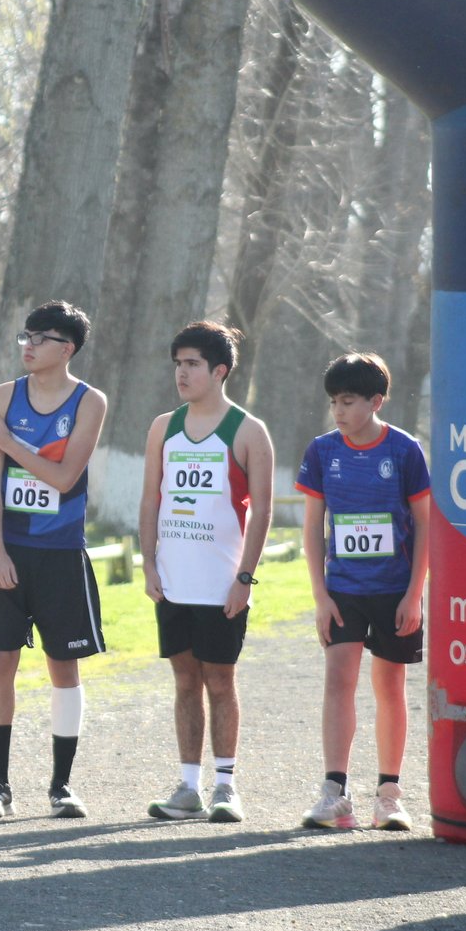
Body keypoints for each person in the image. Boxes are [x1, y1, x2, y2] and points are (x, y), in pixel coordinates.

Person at [0, 301, 108, 820]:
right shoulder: (4, 396)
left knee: (64, 666)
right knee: (1, 662)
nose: (28, 345)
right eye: (25, 335)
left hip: (60, 554)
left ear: (67, 348)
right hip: (10, 551)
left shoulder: (89, 402)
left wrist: (8, 442)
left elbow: (64, 478)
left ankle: (61, 786)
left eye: (41, 337)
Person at [139, 321, 273, 824]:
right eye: (178, 363)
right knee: (184, 680)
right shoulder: (163, 427)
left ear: (220, 370)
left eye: (192, 363)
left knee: (220, 680)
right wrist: (149, 564)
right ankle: (188, 787)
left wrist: (244, 578)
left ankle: (225, 787)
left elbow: (261, 512)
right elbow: (150, 499)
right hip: (173, 580)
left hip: (222, 584)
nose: (182, 372)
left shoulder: (247, 430)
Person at [294, 353, 428, 830]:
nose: (338, 411)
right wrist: (320, 595)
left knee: (390, 685)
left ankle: (389, 795)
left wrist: (414, 595)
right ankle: (335, 793)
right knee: (339, 680)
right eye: (333, 402)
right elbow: (313, 528)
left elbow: (426, 526)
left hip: (394, 590)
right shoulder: (323, 451)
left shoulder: (405, 451)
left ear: (376, 401)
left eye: (348, 401)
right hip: (342, 590)